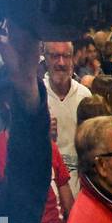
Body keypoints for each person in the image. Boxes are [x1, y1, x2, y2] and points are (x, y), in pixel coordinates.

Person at [42, 41, 90, 192]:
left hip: (78, 187)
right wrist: (41, 133)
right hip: (46, 186)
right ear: (46, 58)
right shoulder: (37, 94)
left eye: (66, 56)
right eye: (55, 56)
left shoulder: (85, 96)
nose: (61, 63)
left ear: (73, 59)